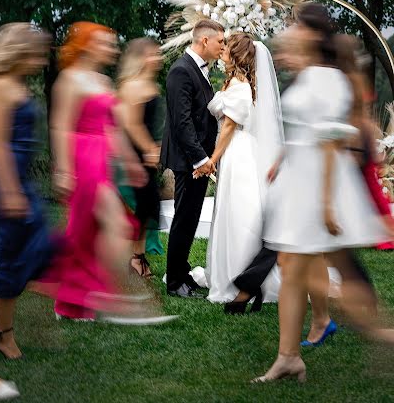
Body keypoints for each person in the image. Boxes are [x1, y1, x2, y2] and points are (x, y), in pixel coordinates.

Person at [255, 3, 389, 384]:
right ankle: (288, 358)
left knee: (300, 270)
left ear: (314, 33)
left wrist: (327, 203)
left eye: (297, 25)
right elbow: (305, 129)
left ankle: (379, 331)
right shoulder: (308, 74)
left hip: (319, 186)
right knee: (291, 268)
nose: (291, 30)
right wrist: (283, 157)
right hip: (300, 181)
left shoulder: (330, 79)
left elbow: (332, 141)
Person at [49, 22, 146, 320]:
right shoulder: (68, 79)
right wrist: (64, 170)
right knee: (109, 223)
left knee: (90, 230)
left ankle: (77, 300)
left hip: (101, 159)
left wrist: (130, 161)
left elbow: (112, 128)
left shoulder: (104, 81)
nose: (111, 48)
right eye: (104, 43)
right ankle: (108, 293)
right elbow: (61, 126)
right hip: (81, 158)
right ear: (87, 44)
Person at [194, 33, 283, 305]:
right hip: (238, 151)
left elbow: (230, 127)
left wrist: (212, 159)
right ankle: (240, 275)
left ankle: (241, 276)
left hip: (238, 152)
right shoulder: (237, 82)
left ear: (237, 54)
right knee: (234, 211)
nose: (222, 50)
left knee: (240, 214)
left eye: (227, 47)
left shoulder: (241, 86)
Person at [0, 23, 53, 359]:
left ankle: (7, 322)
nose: (41, 59)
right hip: (8, 181)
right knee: (15, 252)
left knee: (33, 247)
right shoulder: (1, 85)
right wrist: (10, 191)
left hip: (21, 180)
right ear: (19, 51)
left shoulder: (18, 83)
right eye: (36, 52)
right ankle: (4, 334)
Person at [161, 19, 224, 298]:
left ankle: (182, 271)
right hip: (189, 161)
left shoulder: (199, 70)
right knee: (184, 218)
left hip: (197, 160)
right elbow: (182, 123)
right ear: (205, 41)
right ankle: (174, 282)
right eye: (220, 41)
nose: (223, 46)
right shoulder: (181, 71)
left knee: (190, 217)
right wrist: (201, 160)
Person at [117, 38, 164, 278]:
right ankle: (134, 258)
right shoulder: (132, 85)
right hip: (133, 154)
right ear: (139, 58)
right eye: (152, 54)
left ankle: (137, 257)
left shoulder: (150, 85)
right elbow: (131, 125)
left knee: (148, 208)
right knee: (142, 207)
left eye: (157, 54)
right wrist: (149, 149)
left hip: (148, 154)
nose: (157, 58)